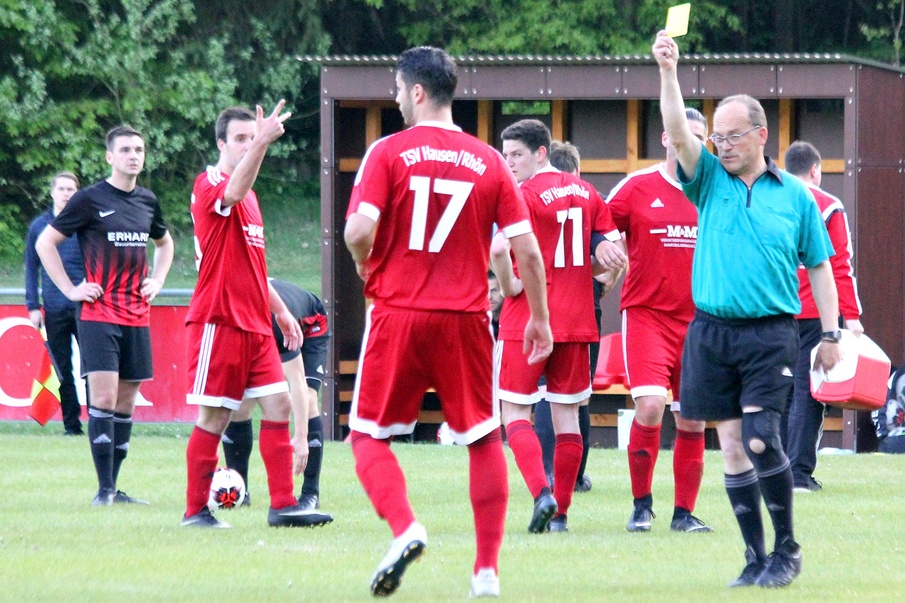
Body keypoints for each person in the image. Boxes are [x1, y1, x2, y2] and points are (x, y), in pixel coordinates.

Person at [344, 46, 553, 598]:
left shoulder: (387, 152)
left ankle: (405, 527)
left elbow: (357, 233)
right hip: (464, 318)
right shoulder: (489, 161)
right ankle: (486, 574)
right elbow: (527, 253)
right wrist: (539, 320)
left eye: (396, 90)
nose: (395, 100)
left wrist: (369, 269)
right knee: (484, 436)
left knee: (366, 436)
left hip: (399, 311)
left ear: (416, 92)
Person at [653, 31, 842, 588]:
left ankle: (787, 550)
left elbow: (821, 268)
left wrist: (831, 333)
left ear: (761, 135)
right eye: (715, 137)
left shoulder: (797, 198)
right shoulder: (708, 181)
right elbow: (675, 132)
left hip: (770, 334)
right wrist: (668, 73)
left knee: (762, 438)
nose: (721, 146)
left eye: (732, 137)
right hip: (711, 333)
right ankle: (754, 557)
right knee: (731, 446)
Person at [182, 103, 330, 530]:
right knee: (216, 417)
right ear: (221, 144)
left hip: (256, 322)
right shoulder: (211, 182)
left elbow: (254, 267)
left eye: (253, 136)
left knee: (281, 403)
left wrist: (282, 312)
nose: (248, 144)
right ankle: (195, 511)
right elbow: (231, 193)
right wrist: (264, 142)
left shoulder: (253, 198)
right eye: (241, 139)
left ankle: (282, 505)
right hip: (220, 319)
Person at [493, 119, 626, 534]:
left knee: (514, 410)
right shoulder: (586, 192)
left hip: (527, 318)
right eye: (506, 154)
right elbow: (613, 253)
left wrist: (510, 284)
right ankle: (561, 516)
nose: (509, 162)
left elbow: (499, 247)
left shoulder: (522, 194)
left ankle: (541, 493)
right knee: (568, 418)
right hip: (577, 320)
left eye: (516, 154)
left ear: (541, 153)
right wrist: (595, 278)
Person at [36, 126, 175, 506]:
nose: (134, 155)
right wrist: (70, 290)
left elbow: (165, 243)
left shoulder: (147, 200)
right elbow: (44, 242)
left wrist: (158, 279)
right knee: (103, 395)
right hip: (99, 313)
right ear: (110, 157)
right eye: (126, 149)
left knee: (127, 401)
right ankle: (104, 491)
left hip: (137, 313)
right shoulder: (89, 199)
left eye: (140, 149)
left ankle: (115, 486)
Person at [603, 110, 713, 534]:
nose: (694, 144)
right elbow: (601, 230)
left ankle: (684, 514)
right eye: (687, 135)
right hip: (648, 315)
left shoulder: (714, 189)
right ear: (667, 138)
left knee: (693, 419)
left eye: (702, 138)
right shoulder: (636, 186)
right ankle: (641, 505)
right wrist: (604, 258)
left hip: (702, 322)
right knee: (650, 407)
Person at [781, 141, 864, 492]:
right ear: (816, 170)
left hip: (775, 312)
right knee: (808, 392)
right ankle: (798, 474)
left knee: (776, 392)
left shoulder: (774, 200)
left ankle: (771, 469)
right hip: (816, 314)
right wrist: (853, 316)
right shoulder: (829, 206)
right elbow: (839, 267)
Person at [221, 278, 334, 521]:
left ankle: (310, 493)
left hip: (309, 326)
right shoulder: (231, 320)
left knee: (309, 400)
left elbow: (297, 383)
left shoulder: (274, 321)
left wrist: (301, 437)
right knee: (239, 405)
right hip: (271, 322)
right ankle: (239, 489)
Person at [533, 140, 596, 494]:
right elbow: (607, 264)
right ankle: (571, 475)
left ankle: (549, 473)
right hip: (581, 306)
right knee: (574, 398)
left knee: (543, 395)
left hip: (536, 305)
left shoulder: (530, 196)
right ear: (576, 170)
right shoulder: (587, 199)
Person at [25, 171, 85, 436]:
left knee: (93, 369)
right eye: (61, 188)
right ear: (52, 192)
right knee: (62, 369)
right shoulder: (39, 227)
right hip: (55, 308)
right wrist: (32, 306)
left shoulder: (85, 224)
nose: (65, 193)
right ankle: (72, 426)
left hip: (87, 306)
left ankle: (99, 424)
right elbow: (31, 269)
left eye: (71, 189)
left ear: (77, 192)